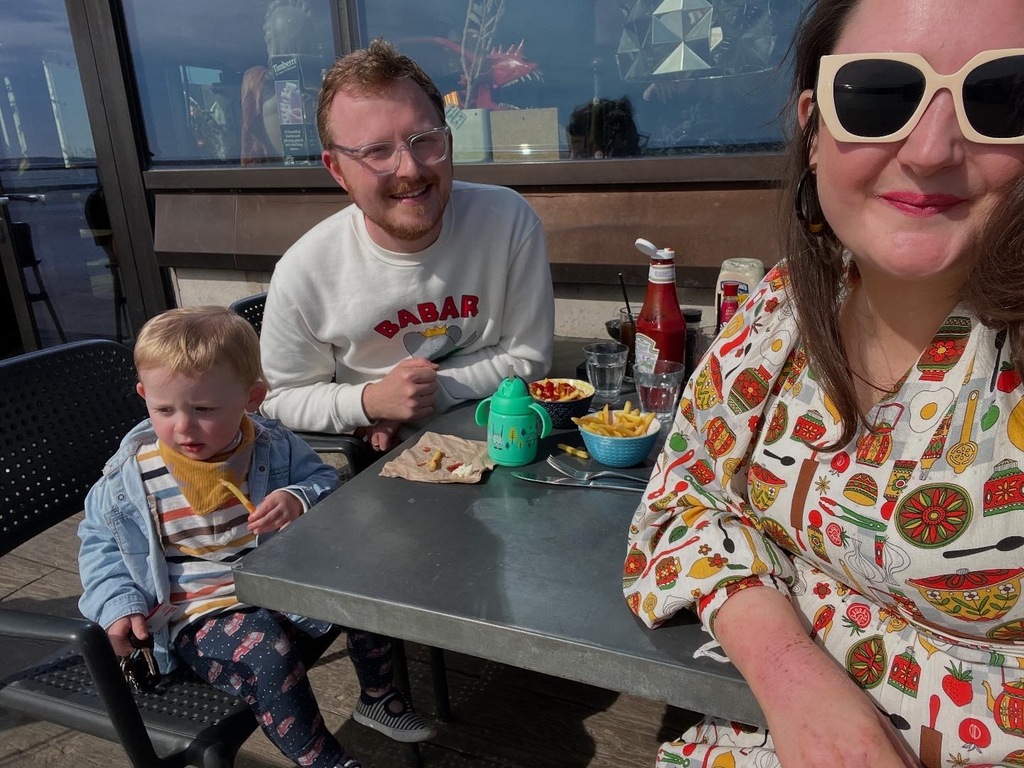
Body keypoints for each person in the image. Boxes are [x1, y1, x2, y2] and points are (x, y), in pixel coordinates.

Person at [623, 1, 1024, 766]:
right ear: (814, 132)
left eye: (1001, 98)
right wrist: (790, 676)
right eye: (881, 96)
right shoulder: (781, 310)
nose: (931, 149)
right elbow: (684, 495)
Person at [77, 307, 435, 768]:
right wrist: (118, 604)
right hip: (198, 610)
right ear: (144, 395)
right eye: (164, 409)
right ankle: (322, 758)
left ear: (252, 397)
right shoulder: (130, 476)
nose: (183, 427)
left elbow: (324, 481)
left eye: (204, 410)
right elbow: (100, 545)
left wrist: (297, 497)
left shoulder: (273, 445)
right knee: (269, 653)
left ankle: (377, 693)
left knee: (367, 588)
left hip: (278, 582)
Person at [259, 38, 554, 453]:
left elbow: (528, 357)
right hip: (374, 458)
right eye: (376, 151)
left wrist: (420, 396)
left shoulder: (507, 220)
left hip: (501, 437)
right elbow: (284, 399)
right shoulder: (304, 270)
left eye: (425, 140)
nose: (410, 169)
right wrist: (370, 402)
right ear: (337, 170)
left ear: (449, 141)